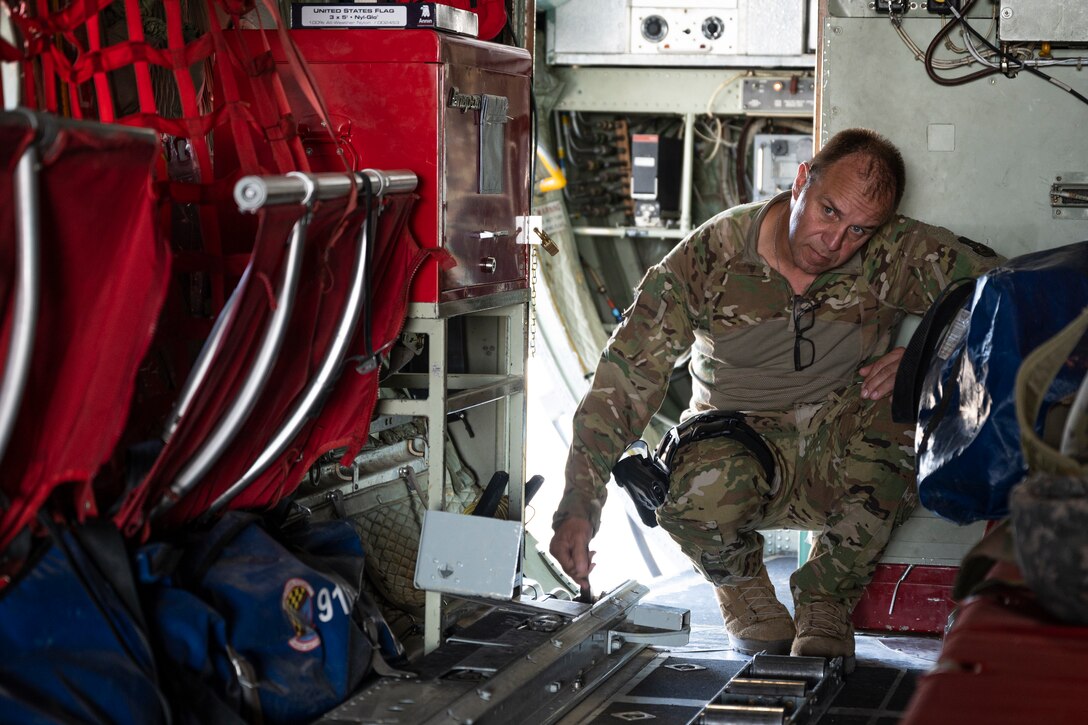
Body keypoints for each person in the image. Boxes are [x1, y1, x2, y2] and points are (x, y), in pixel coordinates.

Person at [549, 128, 1002, 663]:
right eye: (828, 212)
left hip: (841, 438)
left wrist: (933, 354)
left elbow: (1000, 289)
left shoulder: (890, 250)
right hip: (737, 442)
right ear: (801, 181)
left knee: (908, 418)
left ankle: (827, 600)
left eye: (859, 229)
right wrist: (580, 500)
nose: (834, 242)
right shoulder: (713, 254)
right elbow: (626, 378)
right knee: (691, 487)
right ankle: (744, 592)